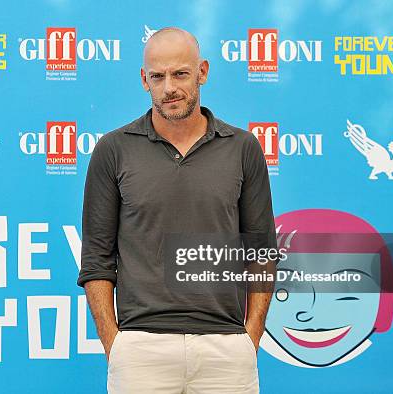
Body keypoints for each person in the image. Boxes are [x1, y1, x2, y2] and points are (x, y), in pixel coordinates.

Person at [77, 27, 277, 393]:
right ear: (144, 80)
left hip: (226, 348)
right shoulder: (113, 150)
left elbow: (261, 254)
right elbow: (96, 259)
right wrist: (115, 344)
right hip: (140, 348)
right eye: (158, 76)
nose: (169, 87)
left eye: (180, 73)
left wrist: (248, 340)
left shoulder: (243, 148)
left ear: (202, 72)